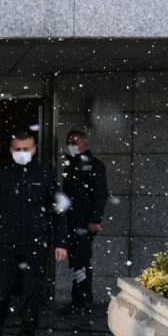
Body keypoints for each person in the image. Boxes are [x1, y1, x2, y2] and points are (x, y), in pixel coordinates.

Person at [0, 131, 67, 336]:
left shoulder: (45, 175)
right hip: (5, 243)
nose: (22, 153)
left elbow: (59, 211)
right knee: (1, 290)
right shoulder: (0, 176)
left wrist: (61, 242)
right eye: (17, 149)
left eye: (26, 149)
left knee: (31, 292)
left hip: (36, 244)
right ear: (11, 150)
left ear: (33, 150)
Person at [59, 130, 109, 316]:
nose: (71, 144)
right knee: (76, 261)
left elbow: (100, 194)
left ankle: (83, 301)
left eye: (75, 141)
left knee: (81, 261)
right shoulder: (70, 164)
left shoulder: (93, 165)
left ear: (84, 144)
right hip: (72, 221)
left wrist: (95, 219)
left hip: (84, 222)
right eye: (69, 141)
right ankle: (78, 299)